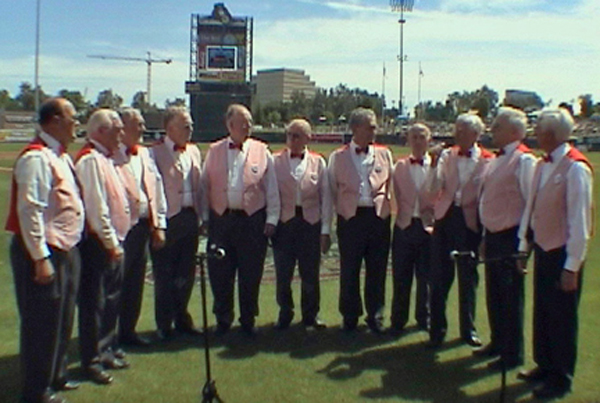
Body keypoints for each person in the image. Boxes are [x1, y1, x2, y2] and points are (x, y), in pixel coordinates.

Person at [6, 98, 84, 403]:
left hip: (65, 248)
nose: (77, 122)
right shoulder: (37, 158)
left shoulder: (60, 157)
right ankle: (37, 390)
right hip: (43, 252)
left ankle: (56, 375)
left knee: (61, 319)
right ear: (54, 121)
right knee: (41, 324)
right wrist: (40, 258)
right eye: (72, 117)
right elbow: (30, 211)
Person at [516, 108, 593, 399]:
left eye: (538, 129)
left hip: (563, 251)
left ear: (550, 134)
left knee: (562, 317)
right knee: (543, 312)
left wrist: (572, 266)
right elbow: (532, 208)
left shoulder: (575, 168)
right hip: (544, 248)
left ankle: (561, 377)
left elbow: (579, 221)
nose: (535, 134)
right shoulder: (541, 165)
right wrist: (524, 246)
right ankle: (544, 364)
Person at [202, 103, 280, 336]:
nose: (248, 126)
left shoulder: (262, 151)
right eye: (243, 122)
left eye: (250, 122)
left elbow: (271, 187)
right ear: (229, 124)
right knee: (220, 273)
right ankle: (223, 319)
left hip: (252, 221)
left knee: (250, 273)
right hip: (221, 220)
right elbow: (205, 187)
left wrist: (272, 219)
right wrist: (206, 218)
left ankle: (248, 319)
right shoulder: (214, 151)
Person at [475, 107, 537, 370]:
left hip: (512, 237)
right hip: (494, 235)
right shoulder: (497, 160)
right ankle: (498, 343)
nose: (492, 130)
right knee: (495, 295)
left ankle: (513, 354)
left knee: (511, 298)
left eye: (498, 126)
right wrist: (486, 235)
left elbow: (530, 204)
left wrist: (524, 246)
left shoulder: (525, 161)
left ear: (514, 131)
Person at [426, 112, 493, 348]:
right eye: (456, 130)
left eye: (463, 131)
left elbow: (487, 197)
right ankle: (436, 330)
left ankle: (468, 329)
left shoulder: (488, 160)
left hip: (470, 222)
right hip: (446, 218)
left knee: (468, 278)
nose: (457, 135)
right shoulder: (447, 155)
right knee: (438, 277)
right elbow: (433, 189)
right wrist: (434, 166)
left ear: (476, 134)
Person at [75, 109, 131, 385]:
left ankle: (106, 349)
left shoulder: (106, 159)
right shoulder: (90, 161)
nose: (122, 134)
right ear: (100, 131)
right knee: (94, 304)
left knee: (111, 300)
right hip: (99, 244)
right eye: (117, 129)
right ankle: (92, 359)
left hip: (114, 240)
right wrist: (111, 242)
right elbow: (97, 209)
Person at [328, 107, 393, 334]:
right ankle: (350, 315)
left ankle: (375, 315)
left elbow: (391, 185)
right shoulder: (337, 157)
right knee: (349, 269)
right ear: (355, 128)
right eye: (370, 126)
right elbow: (331, 191)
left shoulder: (385, 154)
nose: (374, 131)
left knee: (377, 269)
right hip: (351, 219)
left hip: (378, 219)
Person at [271, 118, 332, 330]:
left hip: (310, 224)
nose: (292, 139)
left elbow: (326, 198)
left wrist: (325, 230)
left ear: (308, 137)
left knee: (310, 273)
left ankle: (310, 315)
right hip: (284, 223)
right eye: (289, 135)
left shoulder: (319, 162)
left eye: (297, 135)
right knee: (283, 273)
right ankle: (285, 312)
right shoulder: (274, 160)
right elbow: (271, 195)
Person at [114, 108, 167, 347]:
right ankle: (107, 338)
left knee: (135, 283)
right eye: (139, 124)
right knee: (115, 285)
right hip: (119, 230)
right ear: (122, 127)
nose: (143, 129)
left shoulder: (145, 154)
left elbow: (155, 189)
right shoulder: (108, 155)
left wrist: (158, 224)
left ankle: (128, 331)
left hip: (143, 227)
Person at [150, 106, 203, 341]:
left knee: (186, 273)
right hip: (168, 220)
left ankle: (182, 317)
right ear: (169, 128)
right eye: (185, 125)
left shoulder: (194, 151)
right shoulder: (153, 153)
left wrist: (203, 217)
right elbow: (152, 190)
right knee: (164, 274)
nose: (190, 129)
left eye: (191, 125)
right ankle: (164, 323)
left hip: (190, 217)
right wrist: (157, 224)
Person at [390, 123, 436, 334]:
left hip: (428, 227)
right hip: (404, 226)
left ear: (429, 140)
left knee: (426, 277)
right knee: (401, 276)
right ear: (407, 140)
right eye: (413, 137)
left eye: (421, 137)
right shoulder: (398, 166)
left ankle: (423, 318)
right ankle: (398, 319)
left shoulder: (438, 167)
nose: (417, 141)